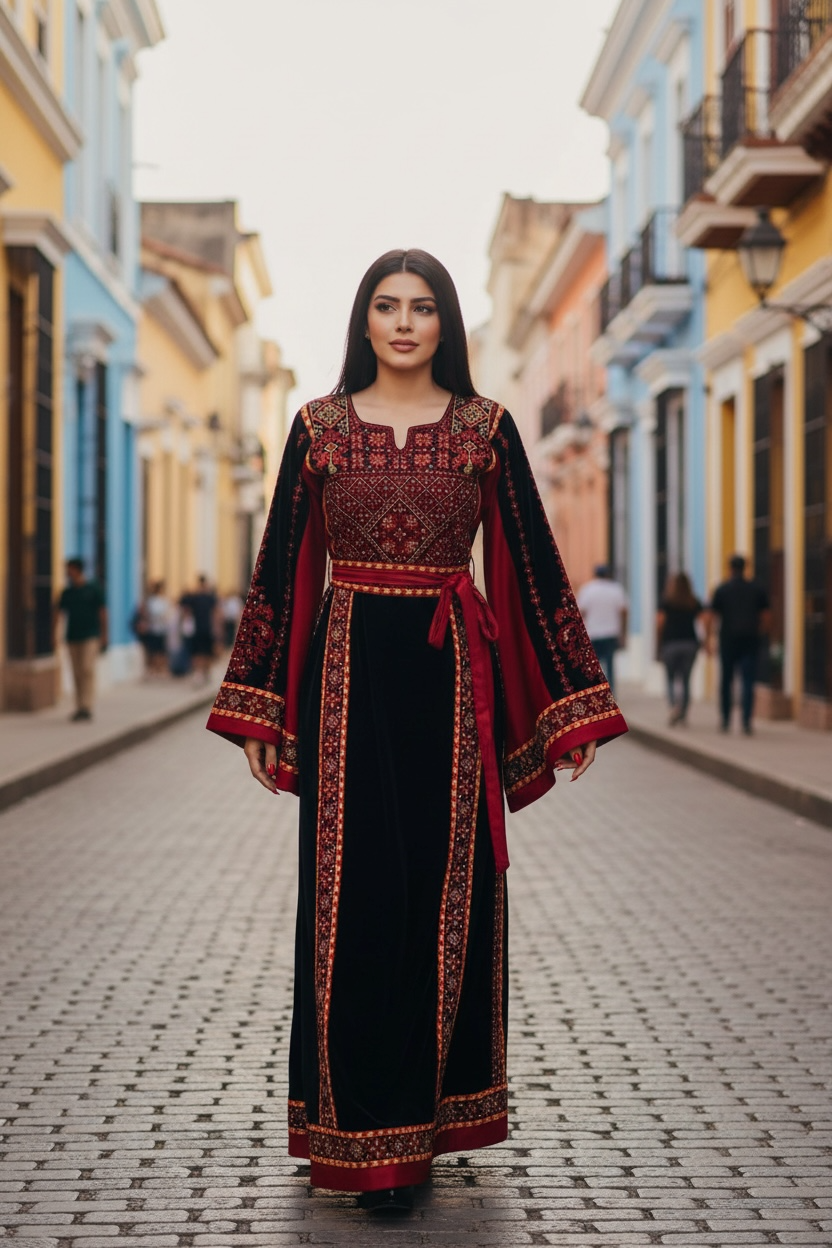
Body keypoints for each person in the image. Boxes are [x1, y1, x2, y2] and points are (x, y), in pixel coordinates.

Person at [206, 250, 628, 1214]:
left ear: (446, 323)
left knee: (445, 900)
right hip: (345, 682)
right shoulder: (318, 428)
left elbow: (531, 562)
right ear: (364, 319)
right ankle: (360, 1134)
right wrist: (261, 706)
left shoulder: (487, 429)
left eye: (423, 307)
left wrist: (569, 705)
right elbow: (281, 568)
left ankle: (420, 1131)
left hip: (451, 686)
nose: (404, 323)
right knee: (352, 900)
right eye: (388, 306)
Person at [706, 554, 771, 734]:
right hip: (750, 640)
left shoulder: (722, 590)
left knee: (726, 680)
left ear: (730, 569)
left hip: (728, 640)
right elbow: (766, 616)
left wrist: (708, 639)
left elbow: (711, 616)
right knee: (748, 680)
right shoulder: (756, 589)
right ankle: (746, 721)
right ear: (745, 568)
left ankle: (726, 719)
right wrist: (761, 632)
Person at [55, 558, 108, 721]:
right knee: (76, 672)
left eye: (69, 569)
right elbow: (59, 613)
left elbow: (102, 612)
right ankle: (79, 706)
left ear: (77, 570)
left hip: (91, 635)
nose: (67, 573)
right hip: (73, 636)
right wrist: (55, 634)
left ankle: (87, 705)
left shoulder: (93, 589)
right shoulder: (68, 593)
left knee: (87, 668)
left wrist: (104, 635)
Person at [656, 572, 704, 726]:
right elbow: (704, 620)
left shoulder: (667, 601)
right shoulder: (693, 602)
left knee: (670, 678)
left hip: (671, 643)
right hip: (690, 643)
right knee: (686, 680)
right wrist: (705, 639)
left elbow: (660, 623)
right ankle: (683, 712)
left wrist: (658, 644)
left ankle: (673, 708)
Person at [576, 565, 628, 694]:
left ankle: (596, 692)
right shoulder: (616, 589)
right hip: (611, 632)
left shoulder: (587, 589)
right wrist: (623, 633)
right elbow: (623, 612)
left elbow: (582, 612)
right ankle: (611, 692)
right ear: (607, 574)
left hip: (593, 633)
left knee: (593, 667)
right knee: (610, 666)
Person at [180, 576, 218, 682]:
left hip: (201, 629)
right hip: (203, 629)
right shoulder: (208, 598)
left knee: (202, 653)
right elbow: (216, 613)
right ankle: (203, 672)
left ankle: (203, 672)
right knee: (203, 653)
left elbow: (186, 610)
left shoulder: (197, 597)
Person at [138, 581, 172, 677]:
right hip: (153, 629)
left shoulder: (163, 601)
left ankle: (161, 668)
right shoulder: (151, 602)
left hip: (162, 629)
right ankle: (155, 668)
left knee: (161, 650)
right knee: (154, 650)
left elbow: (167, 615)